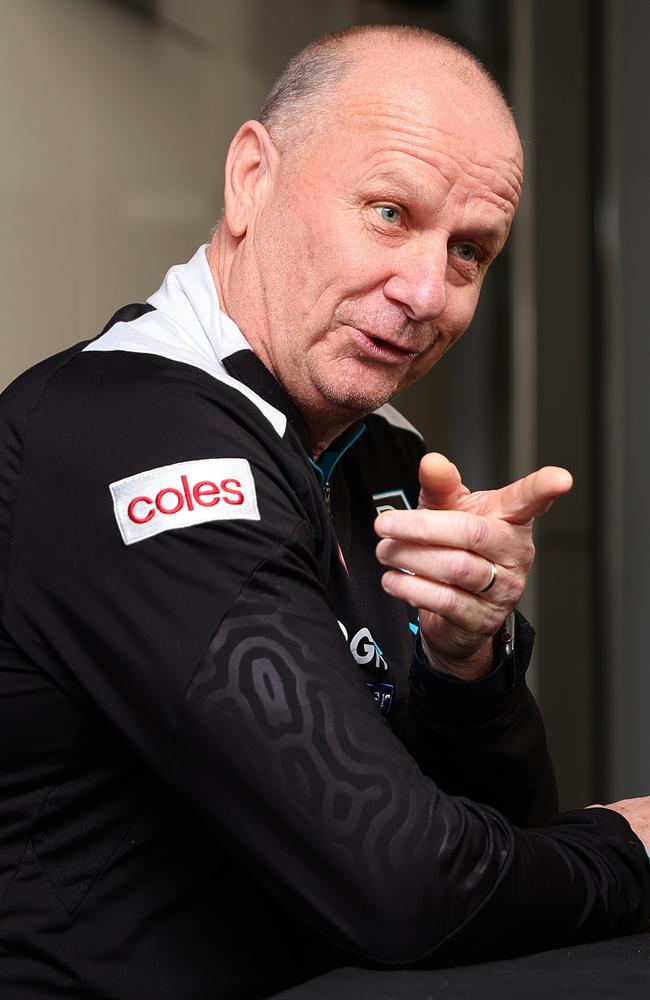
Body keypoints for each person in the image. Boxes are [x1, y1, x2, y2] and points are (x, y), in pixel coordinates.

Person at [0, 23, 648, 1000]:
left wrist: (463, 662)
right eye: (389, 212)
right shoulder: (126, 433)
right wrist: (625, 845)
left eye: (468, 251)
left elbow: (492, 848)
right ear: (251, 179)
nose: (427, 291)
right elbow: (403, 880)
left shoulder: (381, 453)